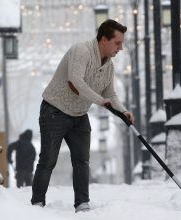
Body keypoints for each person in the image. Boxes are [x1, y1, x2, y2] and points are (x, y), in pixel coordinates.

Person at [31, 19, 134, 212]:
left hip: (79, 115)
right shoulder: (81, 51)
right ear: (104, 39)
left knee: (82, 160)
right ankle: (37, 204)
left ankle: (82, 204)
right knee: (48, 160)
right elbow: (75, 81)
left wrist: (123, 111)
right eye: (118, 42)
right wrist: (99, 100)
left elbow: (110, 94)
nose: (121, 47)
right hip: (55, 111)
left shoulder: (109, 66)